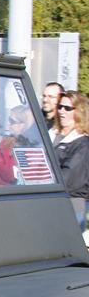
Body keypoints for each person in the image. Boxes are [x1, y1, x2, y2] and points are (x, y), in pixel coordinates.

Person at [54, 91, 89, 229]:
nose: (62, 111)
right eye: (60, 106)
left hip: (72, 204)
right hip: (52, 200)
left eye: (67, 108)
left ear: (79, 112)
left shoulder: (83, 144)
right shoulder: (53, 134)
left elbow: (71, 179)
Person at [0, 105, 37, 185]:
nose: (8, 124)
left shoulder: (27, 147)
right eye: (8, 120)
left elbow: (10, 175)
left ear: (23, 124)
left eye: (12, 121)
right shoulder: (6, 141)